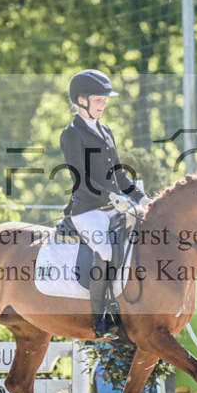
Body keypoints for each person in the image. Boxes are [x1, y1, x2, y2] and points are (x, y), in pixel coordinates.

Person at [60, 69, 151, 340]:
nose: (105, 104)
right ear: (81, 100)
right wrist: (114, 199)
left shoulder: (105, 130)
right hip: (88, 211)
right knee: (106, 251)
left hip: (115, 207)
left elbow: (118, 174)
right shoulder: (72, 135)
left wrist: (142, 199)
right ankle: (99, 318)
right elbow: (81, 180)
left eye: (105, 100)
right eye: (99, 100)